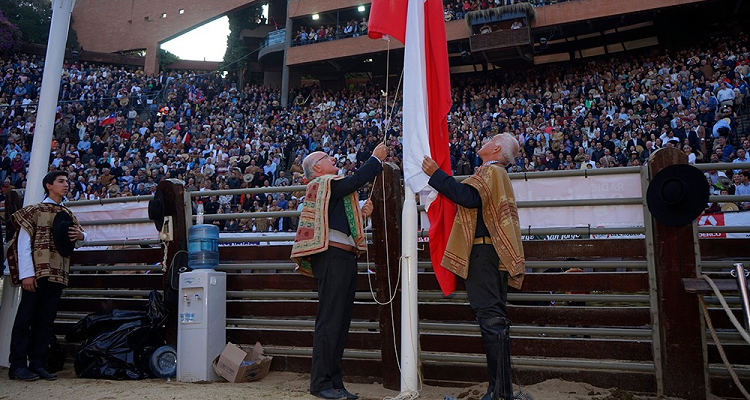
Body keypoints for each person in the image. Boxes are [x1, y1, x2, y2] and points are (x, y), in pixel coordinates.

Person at [422, 133, 528, 400]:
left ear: (495, 148)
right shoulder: (496, 174)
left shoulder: (492, 171)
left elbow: (468, 197)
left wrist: (436, 175)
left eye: (491, 138)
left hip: (484, 254)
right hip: (492, 254)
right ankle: (499, 390)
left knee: (491, 319)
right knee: (495, 320)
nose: (484, 140)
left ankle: (499, 392)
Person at [290, 143, 387, 400]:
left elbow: (340, 210)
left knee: (340, 322)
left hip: (342, 256)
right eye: (326, 157)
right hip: (332, 256)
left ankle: (333, 382)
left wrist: (362, 213)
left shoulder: (331, 188)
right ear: (317, 167)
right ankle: (320, 382)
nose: (332, 158)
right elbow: (353, 182)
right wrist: (374, 160)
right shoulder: (322, 184)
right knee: (331, 320)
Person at [6, 171, 88, 381]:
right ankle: (17, 366)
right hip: (37, 273)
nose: (66, 185)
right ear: (49, 185)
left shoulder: (68, 214)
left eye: (67, 181)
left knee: (45, 320)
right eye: (61, 181)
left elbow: (77, 239)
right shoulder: (33, 211)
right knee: (26, 319)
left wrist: (82, 236)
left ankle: (37, 364)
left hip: (57, 272)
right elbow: (23, 245)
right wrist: (27, 275)